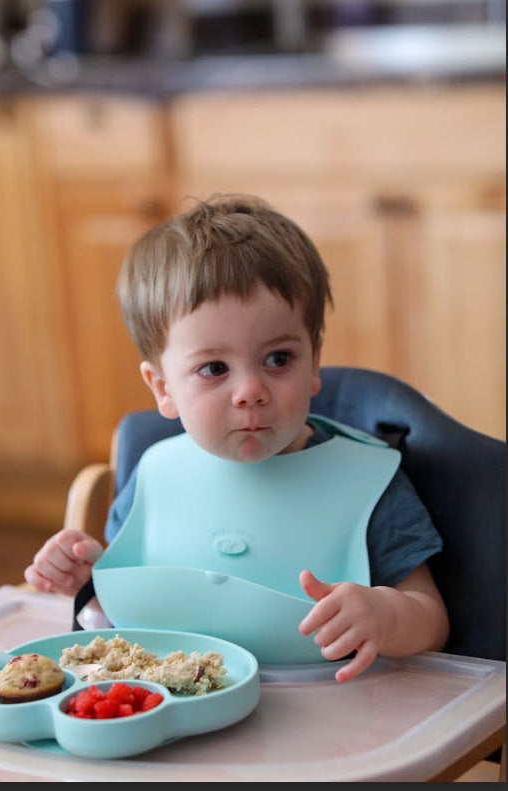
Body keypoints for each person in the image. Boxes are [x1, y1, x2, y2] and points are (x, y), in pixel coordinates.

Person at [25, 193, 449, 681]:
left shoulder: (367, 483)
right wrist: (87, 582)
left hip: (324, 732)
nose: (250, 391)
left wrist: (386, 614)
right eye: (213, 368)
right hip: (174, 728)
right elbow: (128, 625)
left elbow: (431, 619)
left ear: (314, 362)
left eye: (278, 359)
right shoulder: (156, 476)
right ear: (163, 389)